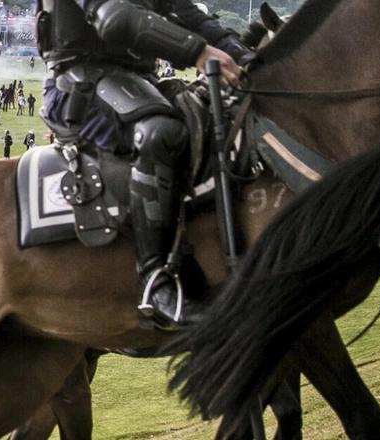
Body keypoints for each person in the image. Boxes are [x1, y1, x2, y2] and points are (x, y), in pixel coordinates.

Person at [36, 0, 252, 329]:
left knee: (218, 120)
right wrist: (196, 51)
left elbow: (189, 16)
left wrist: (247, 57)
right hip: (79, 85)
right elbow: (115, 18)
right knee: (160, 134)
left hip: (138, 82)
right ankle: (155, 281)